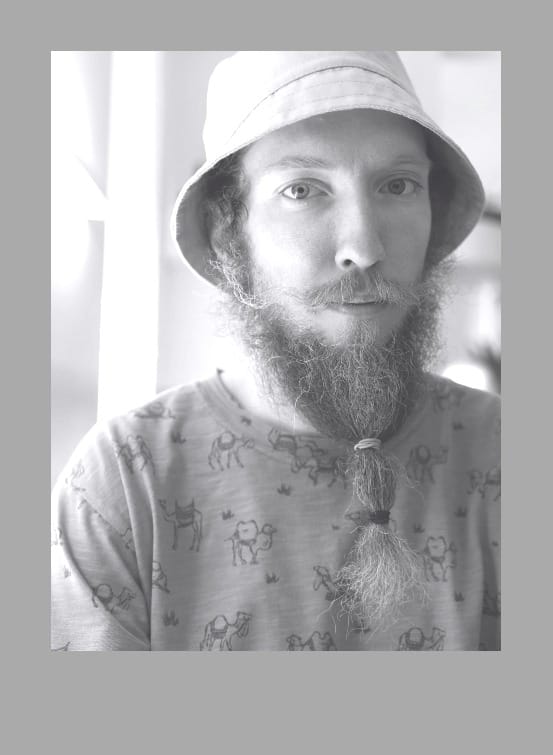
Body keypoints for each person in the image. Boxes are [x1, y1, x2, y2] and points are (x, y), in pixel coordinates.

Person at [51, 51, 500, 652]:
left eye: (397, 185)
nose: (363, 247)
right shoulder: (125, 480)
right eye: (302, 189)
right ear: (227, 230)